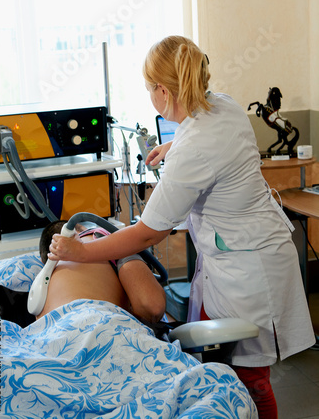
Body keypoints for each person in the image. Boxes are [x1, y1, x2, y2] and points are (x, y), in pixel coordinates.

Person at [48, 35, 315, 419]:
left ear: (162, 90)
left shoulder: (196, 146)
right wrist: (171, 149)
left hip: (249, 269)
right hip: (242, 253)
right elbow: (210, 141)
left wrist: (83, 252)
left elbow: (148, 233)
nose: (148, 96)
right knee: (218, 366)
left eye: (147, 89)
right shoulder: (221, 104)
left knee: (250, 377)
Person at [38, 220, 166, 324]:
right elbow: (152, 306)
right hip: (103, 330)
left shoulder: (42, 282)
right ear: (79, 230)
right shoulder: (98, 236)